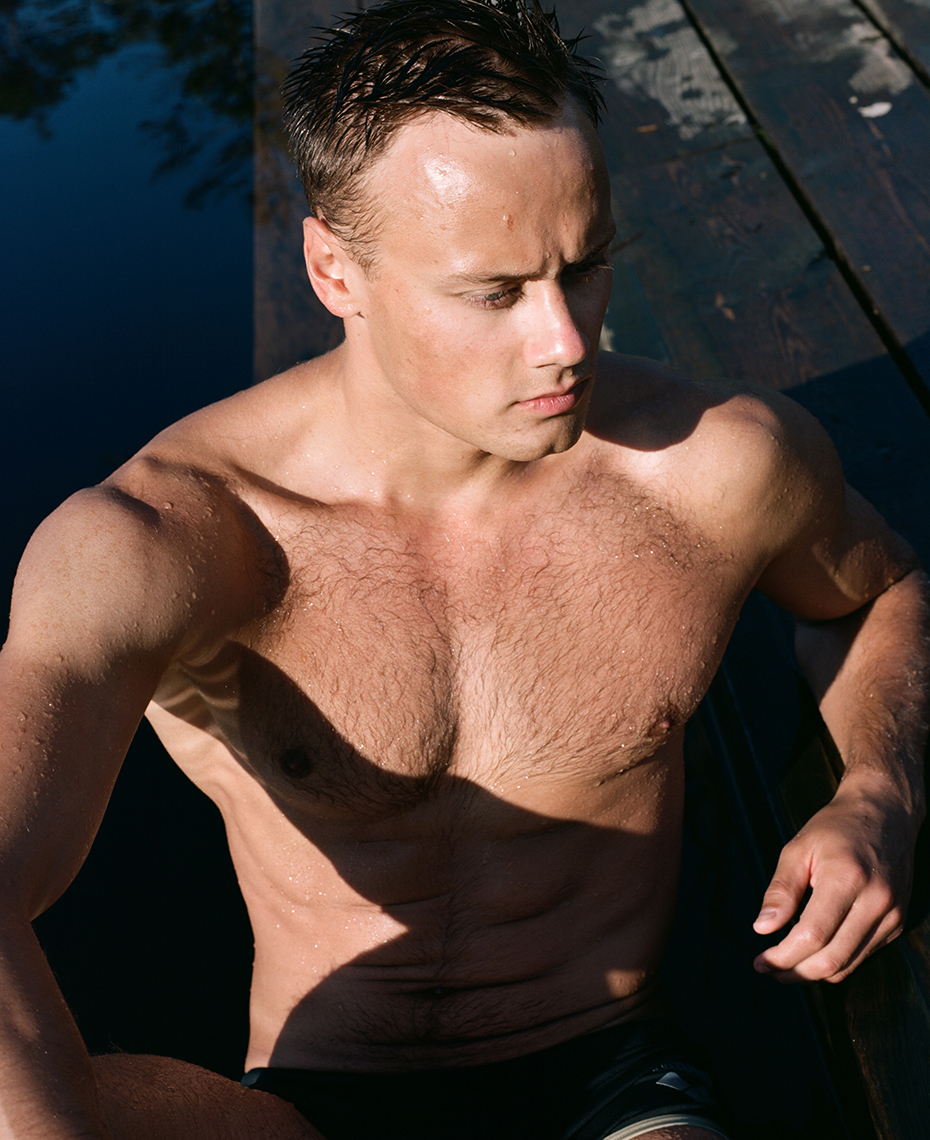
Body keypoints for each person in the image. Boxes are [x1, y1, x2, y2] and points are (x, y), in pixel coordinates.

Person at [0, 0, 926, 1136]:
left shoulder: (715, 469)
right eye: (494, 292)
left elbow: (878, 594)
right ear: (334, 271)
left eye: (585, 266)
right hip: (314, 1100)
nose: (566, 343)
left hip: (609, 1071)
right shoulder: (172, 541)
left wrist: (878, 793)